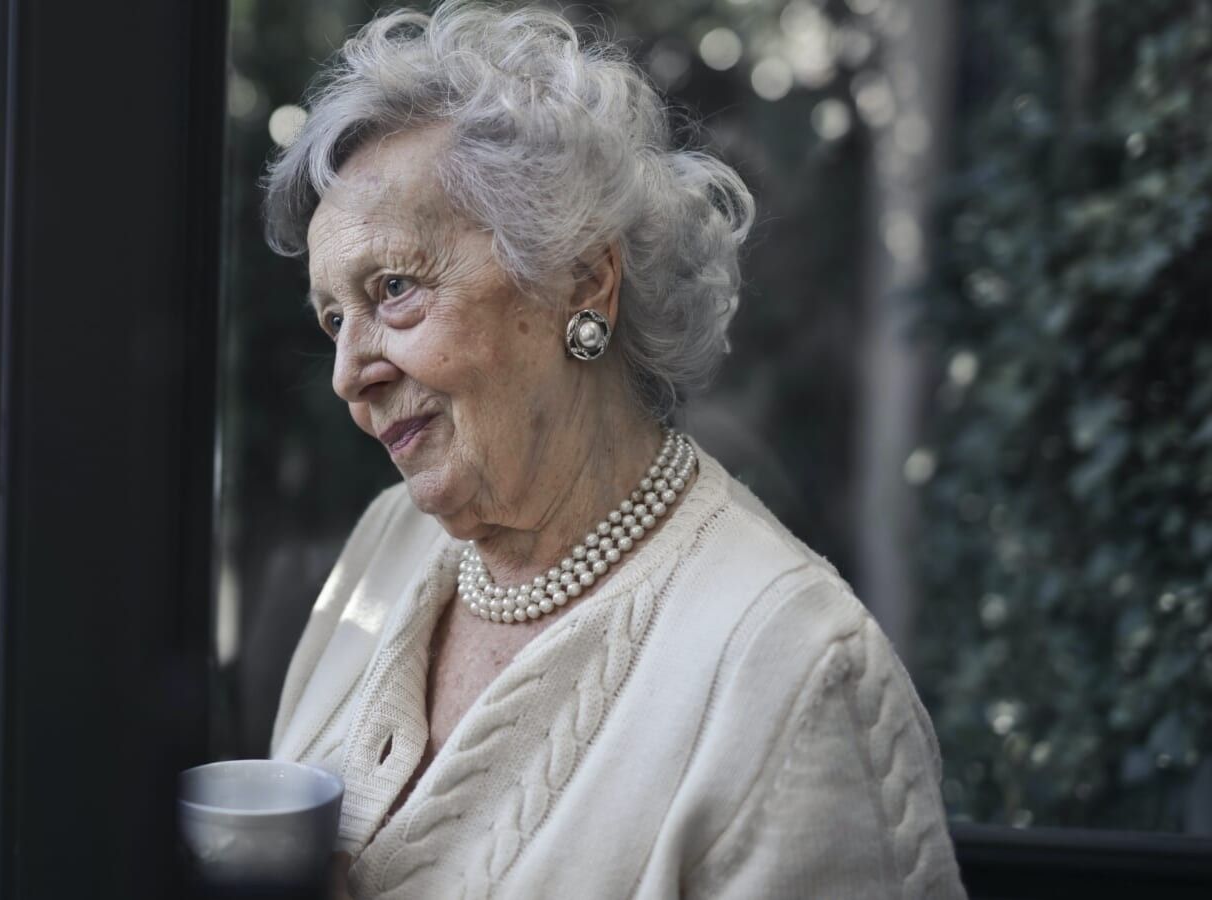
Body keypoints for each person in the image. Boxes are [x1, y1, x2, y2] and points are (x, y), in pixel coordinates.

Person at [262, 4, 966, 897]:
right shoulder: (384, 549)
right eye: (333, 318)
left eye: (394, 289)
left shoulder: (793, 673)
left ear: (583, 283)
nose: (346, 373)